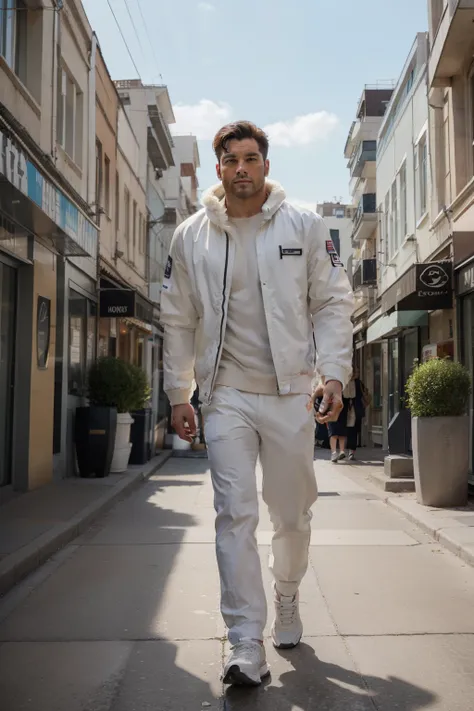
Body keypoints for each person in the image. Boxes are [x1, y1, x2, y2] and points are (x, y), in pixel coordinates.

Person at [160, 121, 354, 687]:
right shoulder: (191, 236)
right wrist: (180, 393)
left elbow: (333, 303)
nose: (240, 167)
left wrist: (334, 376)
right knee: (233, 514)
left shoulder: (305, 226)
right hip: (226, 397)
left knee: (291, 514)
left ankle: (287, 594)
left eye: (250, 158)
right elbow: (177, 318)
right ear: (218, 168)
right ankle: (245, 641)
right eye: (230, 159)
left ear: (266, 165)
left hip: (292, 391)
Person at [346, 368, 371, 460]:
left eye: (357, 372)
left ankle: (351, 451)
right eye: (355, 372)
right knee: (350, 430)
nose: (357, 374)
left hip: (355, 410)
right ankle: (348, 450)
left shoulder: (359, 383)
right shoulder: (347, 382)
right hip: (349, 409)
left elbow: (364, 394)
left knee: (353, 430)